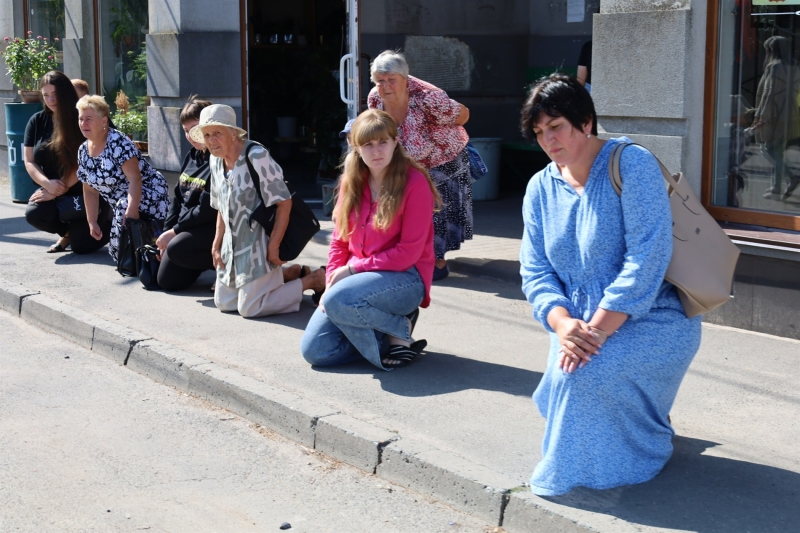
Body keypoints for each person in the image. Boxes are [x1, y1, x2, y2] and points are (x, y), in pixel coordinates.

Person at [518, 74, 701, 496]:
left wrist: (596, 333)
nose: (548, 139)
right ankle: (638, 417)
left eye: (556, 126)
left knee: (577, 382)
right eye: (540, 131)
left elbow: (646, 259)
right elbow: (535, 271)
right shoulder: (539, 188)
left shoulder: (629, 163)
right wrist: (563, 324)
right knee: (566, 389)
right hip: (578, 324)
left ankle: (647, 443)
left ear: (585, 122)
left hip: (652, 314)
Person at [300, 109, 440, 370]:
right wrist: (332, 281)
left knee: (338, 301)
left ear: (395, 143)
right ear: (356, 147)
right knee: (315, 352)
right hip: (354, 285)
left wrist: (351, 270)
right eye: (368, 144)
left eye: (383, 142)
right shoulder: (350, 182)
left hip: (404, 278)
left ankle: (399, 323)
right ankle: (391, 332)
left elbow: (408, 252)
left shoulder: (415, 182)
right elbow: (339, 242)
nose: (377, 151)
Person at [188, 104, 326, 317]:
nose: (212, 140)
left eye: (217, 133)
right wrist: (216, 245)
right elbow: (220, 207)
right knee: (224, 303)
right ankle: (287, 275)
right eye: (207, 135)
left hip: (259, 244)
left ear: (233, 133)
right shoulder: (215, 160)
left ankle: (312, 280)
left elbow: (284, 202)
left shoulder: (256, 155)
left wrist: (274, 247)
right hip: (233, 248)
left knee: (250, 308)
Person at [367, 50, 470, 281]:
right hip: (408, 160)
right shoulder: (375, 98)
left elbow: (463, 115)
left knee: (437, 209)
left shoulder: (428, 98)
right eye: (380, 81)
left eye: (391, 80)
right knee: (405, 208)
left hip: (444, 159)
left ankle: (438, 263)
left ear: (405, 79)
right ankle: (407, 255)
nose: (385, 86)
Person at [23, 71, 110, 254]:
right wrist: (47, 185)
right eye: (46, 95)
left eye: (55, 94)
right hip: (52, 189)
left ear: (66, 93)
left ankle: (101, 221)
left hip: (88, 191)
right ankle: (69, 232)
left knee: (81, 246)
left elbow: (92, 155)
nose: (50, 100)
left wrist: (59, 188)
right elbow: (29, 160)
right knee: (34, 213)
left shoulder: (83, 117)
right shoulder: (37, 121)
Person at [76, 94, 170, 263]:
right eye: (81, 119)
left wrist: (132, 209)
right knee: (123, 210)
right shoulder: (83, 150)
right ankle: (130, 261)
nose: (83, 124)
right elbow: (89, 189)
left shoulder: (118, 142)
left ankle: (128, 260)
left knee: (124, 208)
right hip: (121, 201)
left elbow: (135, 179)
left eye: (88, 119)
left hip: (150, 191)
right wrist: (92, 221)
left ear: (104, 121)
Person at [154, 97, 216, 291]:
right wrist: (166, 231)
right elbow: (177, 199)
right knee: (166, 281)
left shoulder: (219, 159)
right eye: (186, 130)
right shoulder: (191, 155)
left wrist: (174, 232)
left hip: (210, 228)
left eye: (195, 128)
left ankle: (224, 267)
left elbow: (207, 210)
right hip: (187, 229)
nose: (190, 135)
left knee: (176, 248)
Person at [750, 36, 800, 200]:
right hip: (791, 113)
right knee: (777, 150)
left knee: (768, 149)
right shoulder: (794, 66)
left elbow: (769, 93)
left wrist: (760, 115)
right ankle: (775, 188)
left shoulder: (774, 66)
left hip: (774, 115)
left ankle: (791, 176)